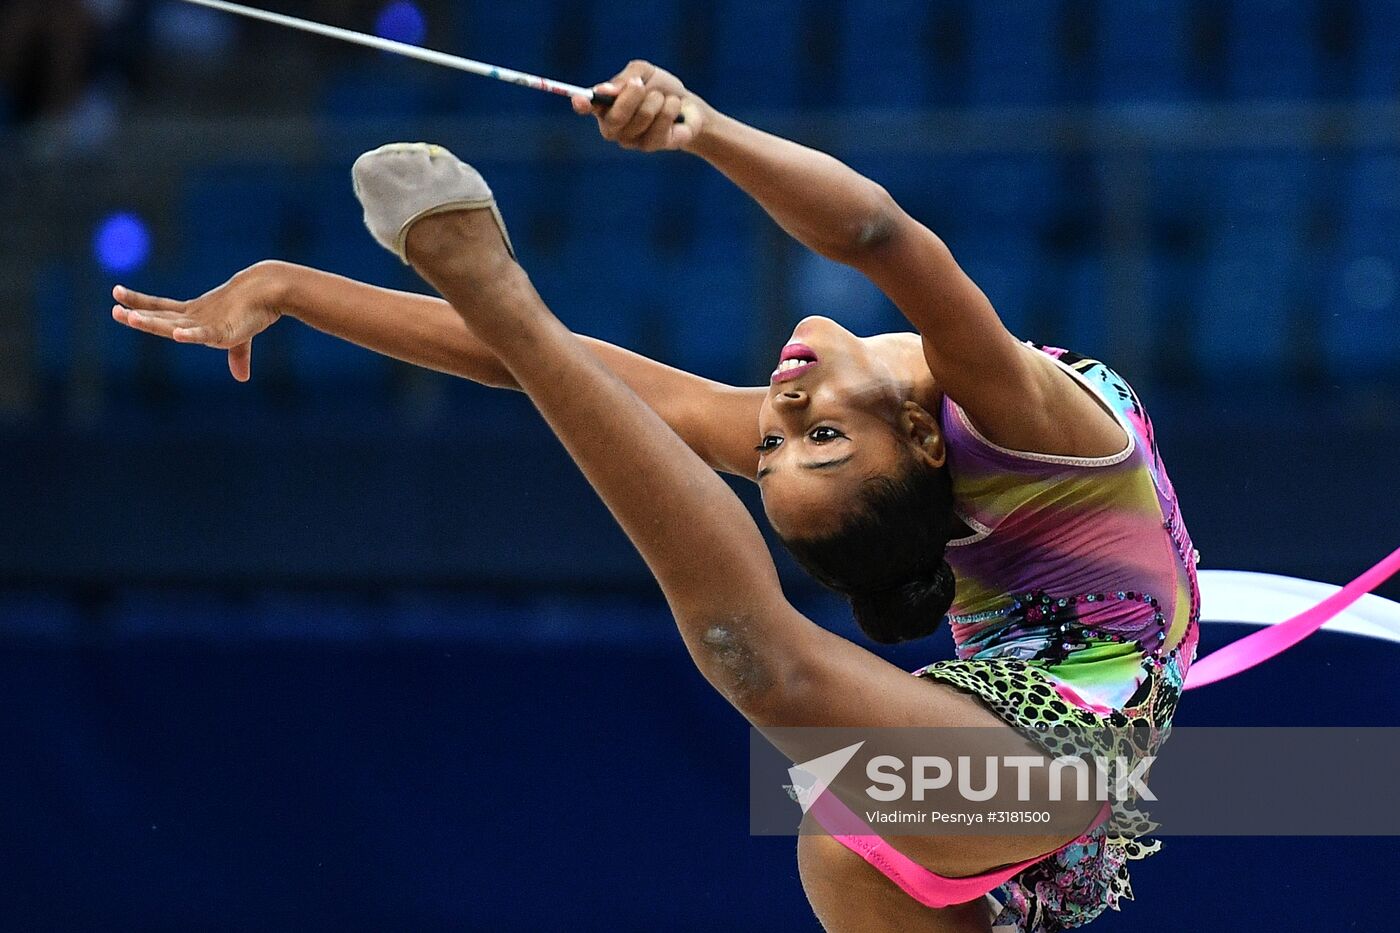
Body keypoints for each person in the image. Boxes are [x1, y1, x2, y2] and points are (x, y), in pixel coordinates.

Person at [112, 62, 1199, 932]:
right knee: (844, 817)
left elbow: (877, 237)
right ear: (914, 440)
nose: (776, 409)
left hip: (1042, 760)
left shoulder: (985, 427)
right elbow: (871, 246)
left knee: (778, 705)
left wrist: (702, 128)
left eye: (784, 443)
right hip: (1022, 766)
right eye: (805, 434)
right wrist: (294, 288)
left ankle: (508, 294)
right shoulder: (996, 416)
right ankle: (508, 300)